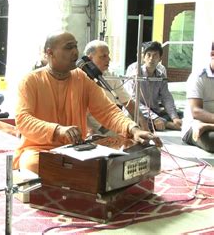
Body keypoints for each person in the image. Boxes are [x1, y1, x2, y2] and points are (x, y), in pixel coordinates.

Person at [13, 32, 160, 174]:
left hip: (76, 148)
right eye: (68, 47)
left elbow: (107, 111)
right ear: (49, 53)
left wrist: (133, 129)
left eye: (76, 46)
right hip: (39, 149)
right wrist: (57, 130)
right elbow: (23, 119)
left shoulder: (81, 78)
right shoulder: (30, 81)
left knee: (113, 159)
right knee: (33, 164)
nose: (75, 52)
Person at [84, 40, 149, 135]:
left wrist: (142, 122)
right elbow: (80, 114)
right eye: (103, 56)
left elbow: (128, 103)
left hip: (115, 123)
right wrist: (90, 131)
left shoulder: (110, 76)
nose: (108, 59)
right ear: (89, 59)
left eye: (108, 55)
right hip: (96, 131)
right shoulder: (80, 78)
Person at [124, 41, 183, 131]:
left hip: (154, 110)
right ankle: (166, 124)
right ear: (143, 57)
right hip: (138, 110)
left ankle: (164, 122)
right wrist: (155, 118)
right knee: (131, 118)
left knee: (182, 114)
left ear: (160, 59)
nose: (151, 59)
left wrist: (174, 117)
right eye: (148, 55)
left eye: (155, 55)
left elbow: (166, 97)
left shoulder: (161, 75)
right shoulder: (134, 73)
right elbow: (132, 100)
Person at [181, 44, 214, 152]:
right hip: (194, 126)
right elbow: (196, 111)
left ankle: (208, 126)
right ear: (212, 54)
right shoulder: (198, 76)